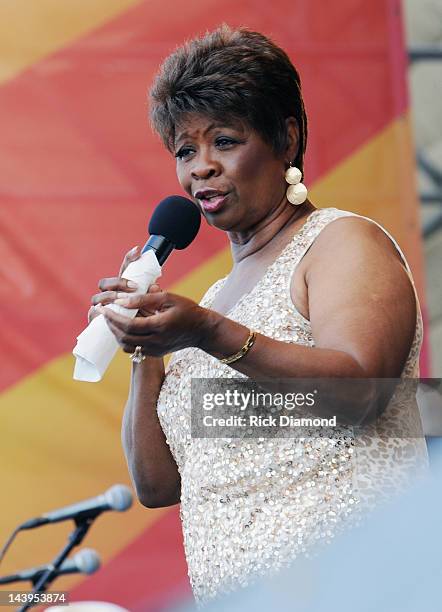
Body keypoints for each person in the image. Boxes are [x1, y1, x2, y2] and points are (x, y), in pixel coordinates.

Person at [91, 26, 428, 605]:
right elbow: (159, 485)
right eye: (185, 150)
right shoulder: (214, 300)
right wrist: (146, 350)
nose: (201, 167)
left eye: (224, 141)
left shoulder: (341, 244)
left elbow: (361, 392)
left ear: (287, 139)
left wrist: (206, 332)